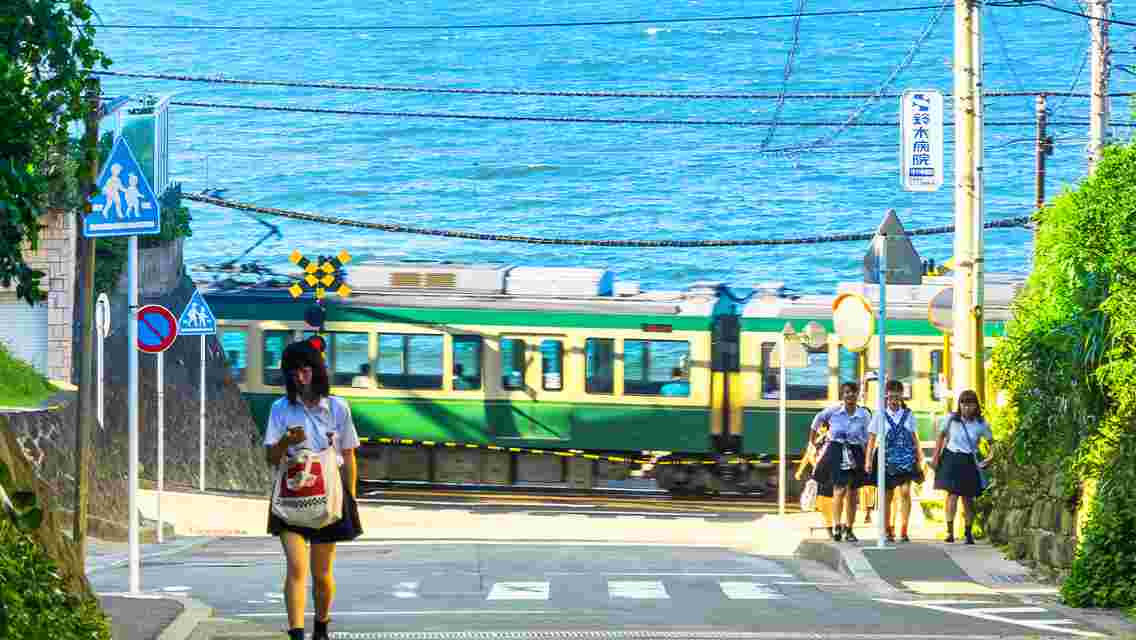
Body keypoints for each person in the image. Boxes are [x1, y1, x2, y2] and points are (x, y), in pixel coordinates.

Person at [265, 339, 364, 640]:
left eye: (305, 370)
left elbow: (348, 455)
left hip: (328, 497)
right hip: (291, 496)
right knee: (296, 567)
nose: (299, 377)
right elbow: (270, 457)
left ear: (317, 371)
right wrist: (285, 442)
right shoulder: (280, 409)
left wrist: (351, 497)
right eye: (293, 372)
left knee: (321, 576)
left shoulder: (338, 408)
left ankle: (321, 627)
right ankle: (296, 633)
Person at [809, 381, 871, 542]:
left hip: (856, 451)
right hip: (837, 450)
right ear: (842, 395)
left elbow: (868, 437)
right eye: (847, 392)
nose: (850, 395)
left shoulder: (864, 414)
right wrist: (813, 441)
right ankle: (837, 526)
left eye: (853, 392)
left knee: (853, 492)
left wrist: (868, 459)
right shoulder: (834, 410)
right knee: (839, 489)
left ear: (858, 395)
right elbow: (817, 420)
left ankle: (849, 529)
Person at [931, 388, 994, 544]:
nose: (966, 407)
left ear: (975, 406)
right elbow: (941, 436)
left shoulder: (981, 423)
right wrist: (935, 457)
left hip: (969, 460)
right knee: (952, 495)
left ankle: (968, 532)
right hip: (952, 458)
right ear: (959, 405)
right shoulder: (951, 419)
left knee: (968, 498)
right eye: (963, 404)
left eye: (970, 404)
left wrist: (990, 458)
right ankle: (949, 531)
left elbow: (992, 443)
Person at [865, 379, 924, 543]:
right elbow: (872, 438)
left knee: (905, 491)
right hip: (885, 459)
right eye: (891, 397)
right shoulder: (879, 414)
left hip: (906, 457)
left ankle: (904, 529)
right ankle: (887, 528)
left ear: (901, 397)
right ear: (886, 397)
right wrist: (868, 460)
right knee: (887, 495)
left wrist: (919, 457)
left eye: (897, 397)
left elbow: (914, 437)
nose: (894, 401)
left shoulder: (908, 414)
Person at [795, 421, 835, 536]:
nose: (818, 429)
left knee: (827, 500)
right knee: (823, 501)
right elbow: (807, 456)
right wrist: (800, 471)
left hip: (829, 473)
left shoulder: (831, 438)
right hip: (818, 474)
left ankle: (830, 524)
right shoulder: (814, 441)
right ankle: (829, 524)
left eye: (820, 427)